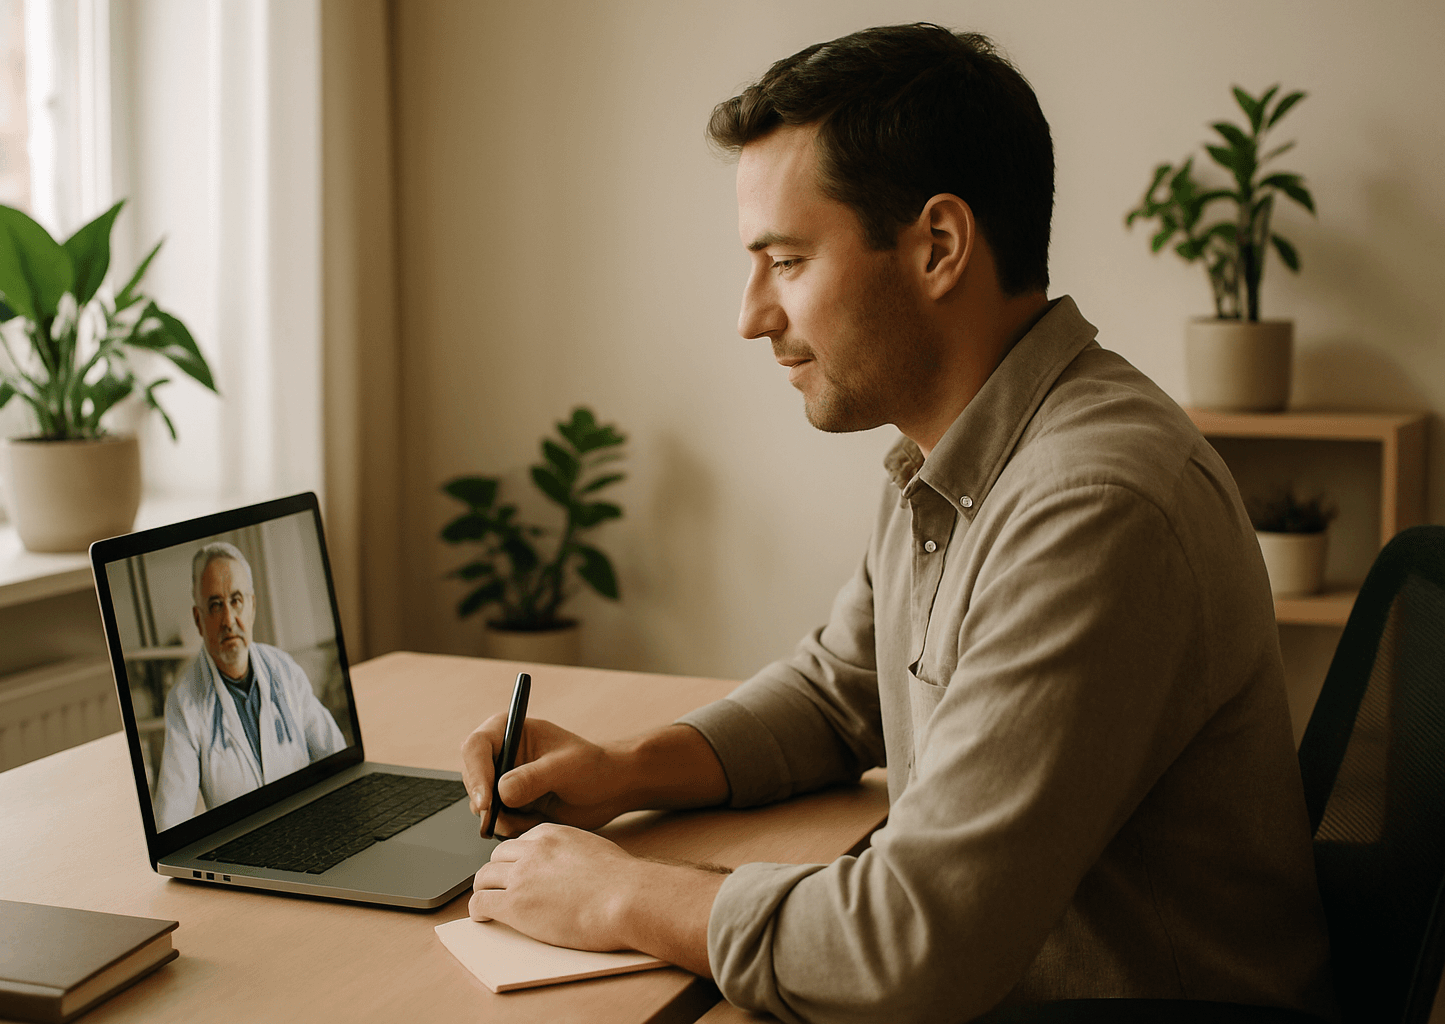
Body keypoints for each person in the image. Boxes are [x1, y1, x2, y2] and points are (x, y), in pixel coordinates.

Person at [461, 24, 1334, 1024]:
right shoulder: (952, 451)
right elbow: (839, 695)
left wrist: (621, 893)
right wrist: (622, 771)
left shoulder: (1093, 507)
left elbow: (912, 944)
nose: (751, 314)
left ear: (939, 248)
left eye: (785, 260)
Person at [154, 541, 346, 830]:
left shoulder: (285, 670)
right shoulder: (184, 702)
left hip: (309, 827)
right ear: (199, 619)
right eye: (216, 605)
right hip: (243, 843)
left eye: (236, 601)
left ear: (252, 607)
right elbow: (171, 819)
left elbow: (336, 758)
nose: (229, 620)